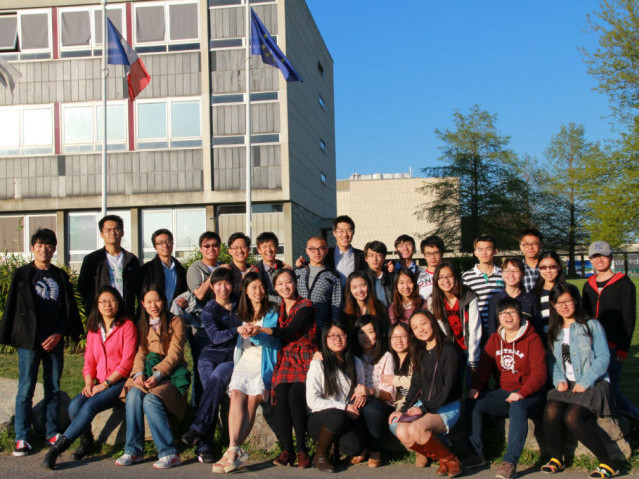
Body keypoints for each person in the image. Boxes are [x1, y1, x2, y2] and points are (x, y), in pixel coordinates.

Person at [0, 229, 83, 456]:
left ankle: (51, 432)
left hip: (54, 340)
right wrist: (32, 337)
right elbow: (15, 309)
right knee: (25, 388)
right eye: (39, 245)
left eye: (48, 245)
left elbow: (67, 310)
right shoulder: (22, 275)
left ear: (54, 248)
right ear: (32, 248)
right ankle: (21, 437)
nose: (44, 249)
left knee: (53, 387)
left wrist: (58, 334)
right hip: (29, 342)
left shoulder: (60, 276)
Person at [43, 286, 137, 469]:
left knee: (90, 405)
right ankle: (87, 441)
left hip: (119, 382)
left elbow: (127, 362)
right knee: (74, 405)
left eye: (112, 300)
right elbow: (89, 360)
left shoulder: (127, 326)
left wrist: (106, 384)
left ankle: (56, 449)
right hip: (98, 382)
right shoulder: (94, 329)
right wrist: (88, 382)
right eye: (103, 302)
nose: (108, 305)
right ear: (97, 305)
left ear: (118, 303)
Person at [541, 282, 618, 479]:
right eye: (559, 302)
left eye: (568, 301)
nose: (564, 306)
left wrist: (585, 381)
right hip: (568, 384)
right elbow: (553, 360)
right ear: (553, 305)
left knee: (572, 418)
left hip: (594, 383)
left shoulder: (591, 325)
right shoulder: (555, 329)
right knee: (551, 410)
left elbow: (603, 357)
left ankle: (608, 463)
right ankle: (556, 458)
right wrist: (559, 379)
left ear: (576, 301)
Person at [466, 297, 547, 479]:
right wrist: (476, 387)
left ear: (520, 315)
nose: (507, 316)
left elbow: (539, 374)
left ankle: (510, 462)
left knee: (518, 406)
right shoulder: (495, 339)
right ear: (498, 317)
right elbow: (484, 368)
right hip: (505, 393)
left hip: (531, 394)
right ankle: (477, 454)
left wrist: (522, 393)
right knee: (474, 402)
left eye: (512, 312)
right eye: (503, 313)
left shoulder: (532, 339)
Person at [212, 272, 280, 473]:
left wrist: (255, 333)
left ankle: (232, 451)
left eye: (262, 287)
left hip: (264, 359)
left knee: (252, 400)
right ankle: (234, 448)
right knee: (235, 394)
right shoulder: (241, 312)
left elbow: (272, 340)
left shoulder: (273, 311)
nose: (259, 292)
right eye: (254, 288)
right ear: (246, 292)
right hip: (246, 359)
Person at [249, 268, 318, 468]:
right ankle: (287, 449)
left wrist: (261, 329)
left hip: (304, 355)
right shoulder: (277, 309)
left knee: (295, 396)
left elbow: (289, 330)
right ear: (275, 288)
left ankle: (302, 450)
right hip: (285, 357)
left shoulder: (306, 306)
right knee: (280, 397)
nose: (285, 287)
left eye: (288, 282)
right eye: (280, 284)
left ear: (295, 283)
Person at [117, 285, 189, 469]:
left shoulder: (176, 321)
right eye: (149, 302)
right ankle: (133, 450)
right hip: (147, 373)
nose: (153, 305)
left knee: (150, 399)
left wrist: (158, 374)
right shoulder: (142, 323)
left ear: (163, 301)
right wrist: (139, 373)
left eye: (157, 300)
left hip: (171, 375)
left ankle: (169, 452)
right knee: (134, 394)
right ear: (143, 303)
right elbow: (140, 352)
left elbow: (175, 354)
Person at [388, 310, 463, 478]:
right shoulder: (420, 351)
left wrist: (424, 408)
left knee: (416, 429)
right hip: (425, 405)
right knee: (400, 430)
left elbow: (449, 388)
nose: (420, 329)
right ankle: (443, 458)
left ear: (432, 323)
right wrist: (403, 410)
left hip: (447, 405)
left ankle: (452, 460)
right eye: (415, 327)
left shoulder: (449, 350)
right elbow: (416, 385)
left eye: (423, 323)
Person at [181, 267, 240, 463]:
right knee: (211, 394)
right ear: (212, 287)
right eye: (218, 284)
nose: (223, 288)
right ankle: (204, 447)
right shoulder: (209, 309)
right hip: (209, 357)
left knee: (214, 383)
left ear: (233, 286)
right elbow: (215, 337)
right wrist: (237, 330)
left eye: (227, 283)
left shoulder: (240, 305)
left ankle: (198, 434)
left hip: (231, 357)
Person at [582, 240, 638, 420]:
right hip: (592, 346)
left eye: (603, 256)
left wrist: (623, 349)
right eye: (595, 257)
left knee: (611, 388)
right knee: (597, 386)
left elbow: (628, 318)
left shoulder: (624, 284)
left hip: (613, 346)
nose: (599, 260)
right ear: (590, 260)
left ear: (611, 257)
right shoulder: (588, 285)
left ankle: (633, 417)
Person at [306, 321, 366, 472]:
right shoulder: (318, 364)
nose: (337, 339)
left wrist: (359, 398)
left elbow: (359, 391)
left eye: (341, 335)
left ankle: (335, 448)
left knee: (354, 447)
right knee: (337, 415)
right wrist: (343, 407)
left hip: (345, 417)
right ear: (325, 339)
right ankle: (320, 456)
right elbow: (312, 401)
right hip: (321, 420)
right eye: (332, 336)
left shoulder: (356, 362)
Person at [180, 231, 223, 406]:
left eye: (215, 245)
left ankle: (215, 403)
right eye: (207, 246)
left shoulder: (223, 266)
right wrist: (215, 275)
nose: (211, 249)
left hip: (221, 325)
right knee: (202, 366)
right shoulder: (195, 268)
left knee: (218, 365)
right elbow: (198, 294)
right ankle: (198, 406)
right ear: (201, 249)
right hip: (201, 327)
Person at [352, 314, 395, 468]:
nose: (365, 337)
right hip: (359, 401)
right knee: (355, 407)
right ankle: (363, 446)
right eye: (361, 332)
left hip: (382, 404)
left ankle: (375, 450)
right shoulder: (352, 356)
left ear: (377, 333)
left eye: (370, 332)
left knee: (371, 406)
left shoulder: (386, 356)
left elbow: (389, 395)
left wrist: (370, 392)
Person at [78, 214, 141, 318]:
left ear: (122, 233)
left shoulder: (131, 260)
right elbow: (83, 287)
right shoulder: (92, 260)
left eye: (116, 229)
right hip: (100, 315)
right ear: (101, 234)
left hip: (125, 314)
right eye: (108, 230)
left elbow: (138, 289)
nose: (112, 233)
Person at [382, 322, 427, 467]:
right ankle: (422, 449)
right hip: (398, 403)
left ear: (410, 337)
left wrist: (395, 380)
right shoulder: (389, 359)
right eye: (394, 337)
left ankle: (424, 451)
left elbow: (418, 383)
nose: (398, 340)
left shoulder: (416, 357)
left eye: (403, 336)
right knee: (393, 424)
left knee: (399, 424)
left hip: (416, 402)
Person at [428, 262, 481, 370]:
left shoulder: (469, 296)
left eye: (449, 276)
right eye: (441, 277)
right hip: (450, 348)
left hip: (470, 346)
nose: (446, 281)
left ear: (456, 277)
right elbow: (439, 328)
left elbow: (474, 328)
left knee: (471, 378)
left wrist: (473, 358)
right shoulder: (433, 301)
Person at [295, 236, 343, 331]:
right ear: (307, 251)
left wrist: (333, 327)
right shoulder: (297, 272)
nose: (317, 252)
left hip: (320, 328)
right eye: (312, 249)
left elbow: (337, 305)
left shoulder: (333, 276)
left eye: (321, 248)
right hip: (297, 326)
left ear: (326, 250)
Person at [487, 257, 541, 337]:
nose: (511, 275)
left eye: (515, 271)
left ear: (522, 274)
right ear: (502, 274)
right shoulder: (495, 300)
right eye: (507, 271)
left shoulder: (531, 299)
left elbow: (537, 329)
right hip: (502, 343)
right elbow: (492, 329)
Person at [462, 234, 505, 331]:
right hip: (477, 327)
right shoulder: (467, 277)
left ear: (495, 251)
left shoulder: (503, 274)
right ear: (475, 252)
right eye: (480, 249)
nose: (484, 253)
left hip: (500, 326)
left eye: (488, 249)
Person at [140, 229, 187, 304]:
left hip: (175, 311)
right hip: (154, 310)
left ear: (172, 243)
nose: (165, 245)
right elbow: (142, 295)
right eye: (160, 243)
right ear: (155, 246)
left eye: (168, 241)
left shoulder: (181, 270)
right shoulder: (147, 270)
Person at [325, 215, 367, 288]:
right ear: (334, 233)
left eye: (349, 230)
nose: (345, 235)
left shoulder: (362, 255)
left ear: (353, 232)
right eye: (341, 231)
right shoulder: (326, 254)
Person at [532, 250, 563, 337]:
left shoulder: (569, 290)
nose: (548, 270)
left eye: (552, 267)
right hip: (543, 340)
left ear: (559, 267)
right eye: (543, 267)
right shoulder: (534, 294)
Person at [254, 232, 285, 303]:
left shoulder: (284, 269)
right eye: (264, 246)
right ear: (259, 250)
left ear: (276, 248)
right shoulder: (254, 271)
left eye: (271, 246)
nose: (268, 249)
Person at [363, 240, 393, 306]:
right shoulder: (362, 277)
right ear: (366, 258)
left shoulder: (391, 277)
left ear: (384, 258)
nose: (375, 259)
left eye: (379, 255)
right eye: (371, 255)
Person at [417, 235, 445, 301]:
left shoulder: (450, 275)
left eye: (436, 253)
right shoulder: (417, 276)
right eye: (428, 253)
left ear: (441, 254)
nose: (432, 257)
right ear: (424, 255)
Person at [519, 228, 543, 293]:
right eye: (526, 244)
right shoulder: (517, 268)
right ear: (521, 246)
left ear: (541, 245)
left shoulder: (548, 268)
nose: (530, 247)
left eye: (534, 243)